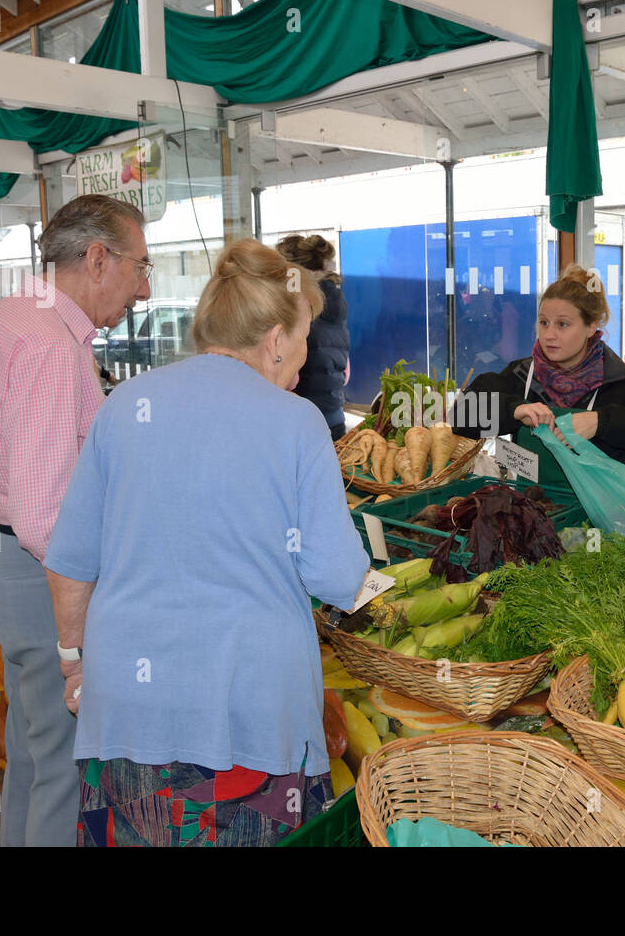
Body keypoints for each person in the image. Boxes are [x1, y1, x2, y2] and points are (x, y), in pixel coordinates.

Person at [42, 239, 369, 847]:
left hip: (127, 712)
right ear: (274, 339)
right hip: (248, 725)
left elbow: (69, 562)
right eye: (303, 340)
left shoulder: (125, 404)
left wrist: (73, 665)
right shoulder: (296, 423)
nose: (304, 359)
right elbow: (337, 576)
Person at [0, 194, 151, 847]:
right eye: (139, 266)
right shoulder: (49, 347)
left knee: (33, 747)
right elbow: (44, 518)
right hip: (41, 572)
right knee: (65, 763)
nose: (143, 288)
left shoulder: (7, 319)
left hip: (3, 555)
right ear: (97, 259)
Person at [450, 265, 625, 488]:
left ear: (591, 327)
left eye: (562, 324)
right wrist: (513, 410)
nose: (549, 334)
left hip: (597, 523)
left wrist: (601, 422)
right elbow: (461, 416)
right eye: (544, 322)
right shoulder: (521, 375)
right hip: (529, 513)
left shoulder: (618, 383)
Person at [275, 234, 350, 441]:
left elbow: (289, 380)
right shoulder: (335, 301)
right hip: (334, 416)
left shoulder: (297, 305)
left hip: (302, 420)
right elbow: (345, 371)